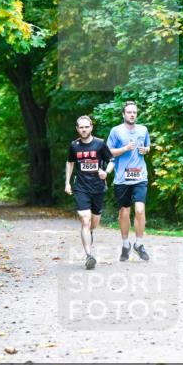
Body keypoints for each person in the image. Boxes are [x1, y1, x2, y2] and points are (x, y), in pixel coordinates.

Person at [65, 115, 114, 270]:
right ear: (77, 129)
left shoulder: (100, 144)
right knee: (85, 219)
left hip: (98, 188)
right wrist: (67, 182)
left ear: (91, 127)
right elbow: (70, 162)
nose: (84, 129)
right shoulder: (74, 146)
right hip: (81, 187)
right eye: (81, 127)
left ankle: (90, 232)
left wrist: (106, 172)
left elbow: (112, 161)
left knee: (94, 223)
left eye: (86, 127)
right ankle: (89, 256)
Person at [107, 100, 152, 262]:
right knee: (124, 212)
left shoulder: (143, 129)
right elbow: (108, 152)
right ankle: (126, 244)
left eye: (134, 112)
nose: (132, 114)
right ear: (123, 114)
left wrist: (145, 150)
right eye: (129, 112)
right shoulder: (116, 131)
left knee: (140, 210)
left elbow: (148, 147)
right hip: (122, 178)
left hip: (140, 176)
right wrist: (125, 148)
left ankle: (139, 244)